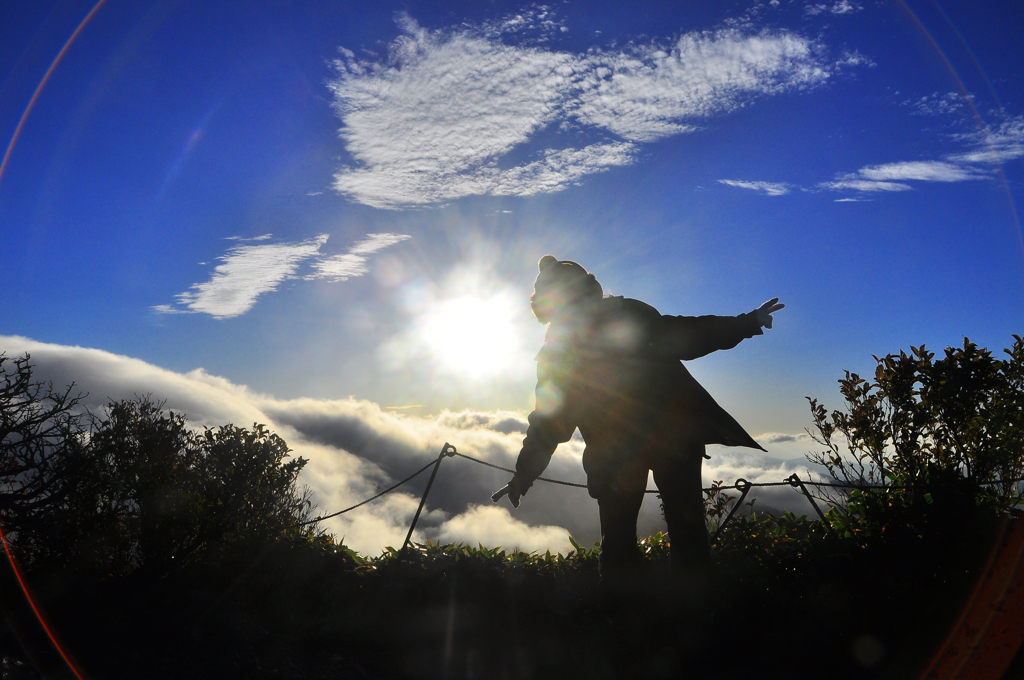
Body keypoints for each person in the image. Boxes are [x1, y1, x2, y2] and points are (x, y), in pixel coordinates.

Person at [493, 255, 783, 587]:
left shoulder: (562, 350)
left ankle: (629, 619)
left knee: (622, 541)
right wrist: (747, 323)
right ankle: (690, 618)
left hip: (627, 450)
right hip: (668, 441)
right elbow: (686, 333)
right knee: (679, 533)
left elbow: (551, 421)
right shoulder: (614, 322)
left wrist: (524, 475)